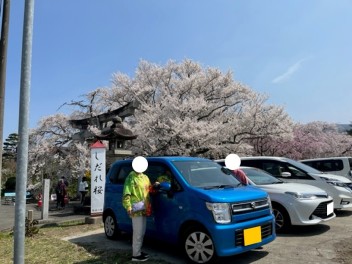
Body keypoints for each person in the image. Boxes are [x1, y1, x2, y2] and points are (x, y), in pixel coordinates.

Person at [122, 169, 152, 262]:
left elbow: (149, 189)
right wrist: (128, 206)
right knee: (137, 232)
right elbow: (126, 193)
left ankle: (138, 251)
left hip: (144, 208)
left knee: (142, 231)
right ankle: (135, 255)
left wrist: (156, 185)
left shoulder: (145, 177)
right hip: (136, 208)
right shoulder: (130, 177)